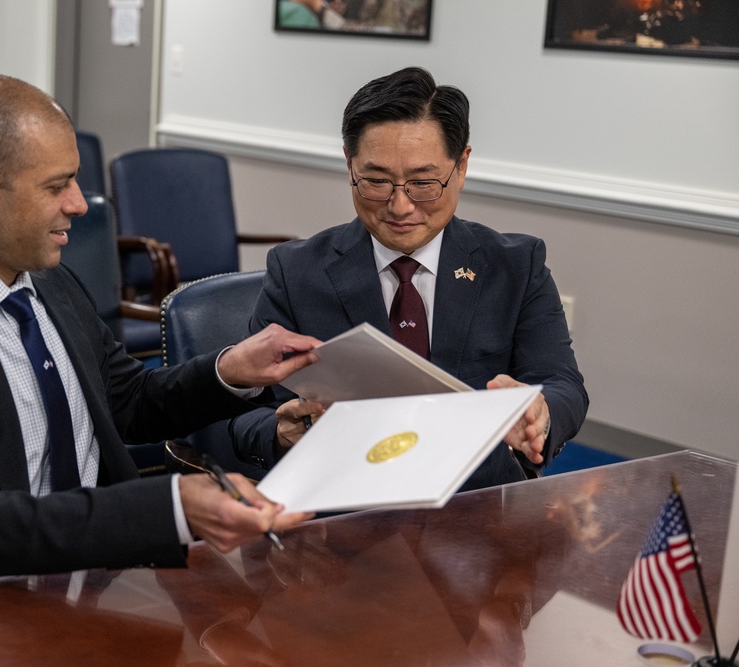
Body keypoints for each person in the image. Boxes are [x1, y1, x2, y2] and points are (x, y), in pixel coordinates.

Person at [0, 74, 319, 601]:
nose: (80, 204)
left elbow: (129, 402)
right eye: (56, 185)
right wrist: (172, 507)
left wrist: (230, 370)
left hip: (100, 581)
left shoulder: (51, 281)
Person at [230, 66, 588, 489]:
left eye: (423, 183)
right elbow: (245, 417)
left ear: (462, 166)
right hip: (345, 504)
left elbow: (563, 384)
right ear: (349, 165)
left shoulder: (515, 265)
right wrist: (281, 434)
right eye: (377, 181)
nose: (399, 206)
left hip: (476, 502)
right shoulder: (297, 271)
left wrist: (540, 413)